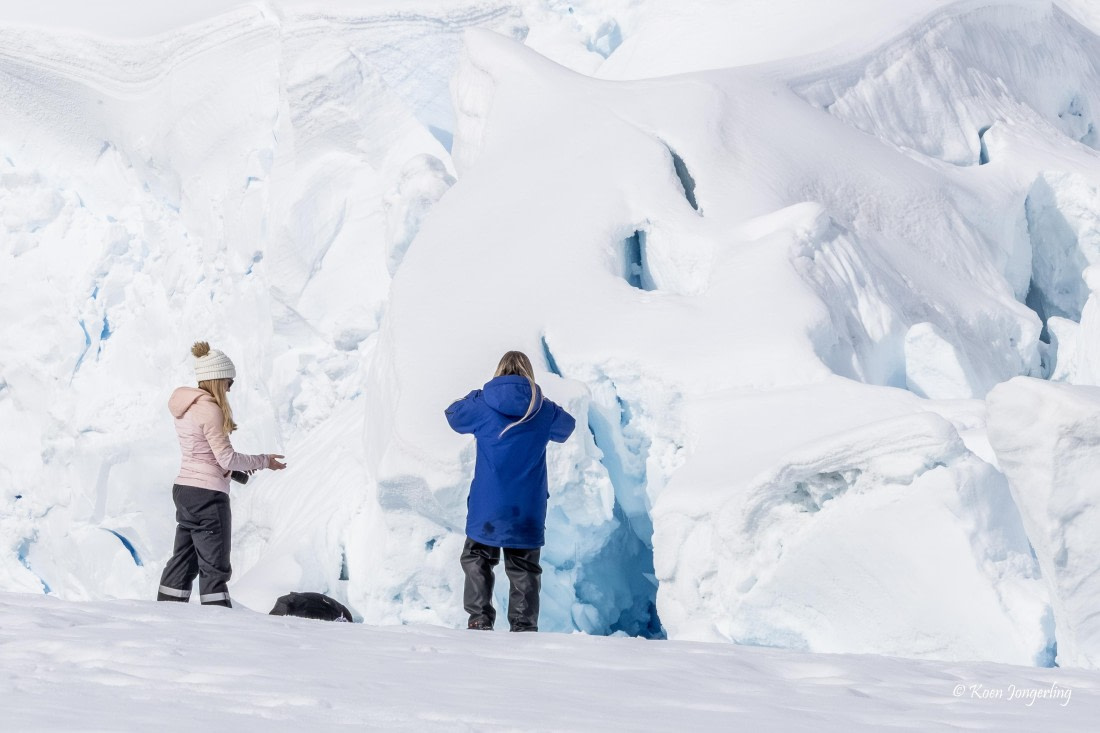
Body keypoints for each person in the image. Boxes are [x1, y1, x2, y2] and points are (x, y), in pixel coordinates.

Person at [445, 350, 576, 631]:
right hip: (527, 507)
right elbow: (568, 427)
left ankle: (479, 618)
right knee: (524, 568)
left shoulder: (483, 405)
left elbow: (453, 414)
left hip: (488, 505)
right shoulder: (541, 409)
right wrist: (543, 403)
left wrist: (476, 395)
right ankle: (523, 627)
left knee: (477, 557)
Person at [157, 341, 286, 608]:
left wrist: (231, 470)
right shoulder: (210, 409)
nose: (230, 387)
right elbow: (226, 457)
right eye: (229, 381)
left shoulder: (186, 407)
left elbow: (201, 453)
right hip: (207, 496)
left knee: (183, 558)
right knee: (214, 566)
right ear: (217, 379)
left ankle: (167, 612)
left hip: (185, 490)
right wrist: (264, 461)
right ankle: (217, 620)